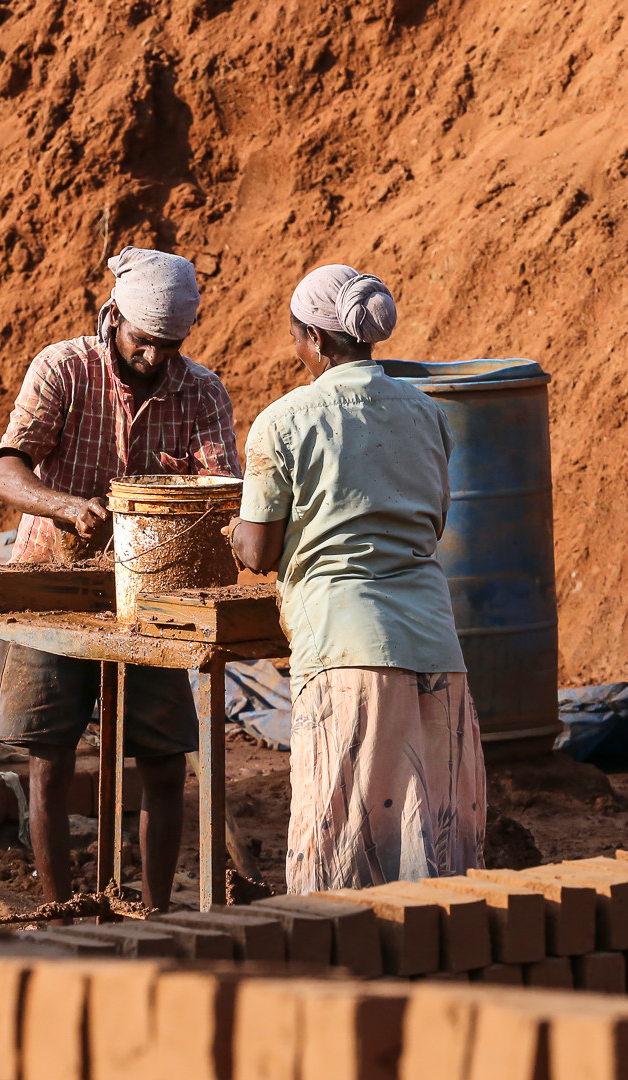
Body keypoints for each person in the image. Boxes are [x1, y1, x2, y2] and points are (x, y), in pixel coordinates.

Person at [0, 246, 239, 911]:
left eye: (170, 344)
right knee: (50, 758)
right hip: (52, 584)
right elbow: (7, 472)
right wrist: (66, 506)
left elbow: (223, 494)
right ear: (115, 317)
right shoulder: (63, 369)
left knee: (162, 759)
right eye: (143, 341)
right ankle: (60, 909)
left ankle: (154, 912)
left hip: (151, 598)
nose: (156, 356)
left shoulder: (202, 390)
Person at [227, 264, 485, 893]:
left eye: (295, 337)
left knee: (337, 837)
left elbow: (257, 552)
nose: (295, 350)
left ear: (315, 339)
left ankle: (331, 977)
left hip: (344, 646)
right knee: (436, 840)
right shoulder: (427, 413)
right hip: (435, 644)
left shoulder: (284, 421)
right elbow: (433, 520)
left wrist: (229, 532)